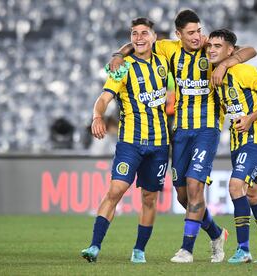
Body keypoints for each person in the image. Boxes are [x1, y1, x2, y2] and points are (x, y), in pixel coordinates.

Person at [109, 9, 257, 263]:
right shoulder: (168, 48)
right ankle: (216, 233)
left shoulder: (211, 48)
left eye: (199, 30)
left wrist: (224, 63)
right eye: (191, 33)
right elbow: (139, 42)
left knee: (194, 186)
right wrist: (119, 54)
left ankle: (186, 249)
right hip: (179, 131)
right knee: (183, 196)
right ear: (179, 34)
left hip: (207, 130)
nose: (198, 37)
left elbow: (249, 50)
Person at [81, 18, 170, 264]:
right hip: (130, 142)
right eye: (134, 33)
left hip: (160, 144)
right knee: (116, 190)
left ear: (154, 37)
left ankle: (139, 250)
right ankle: (94, 246)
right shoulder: (123, 68)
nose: (139, 37)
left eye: (144, 33)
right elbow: (104, 97)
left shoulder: (165, 61)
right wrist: (97, 116)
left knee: (149, 199)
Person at [207, 29, 257, 263]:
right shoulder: (212, 69)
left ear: (231, 50)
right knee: (253, 194)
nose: (211, 49)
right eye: (210, 45)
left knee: (235, 186)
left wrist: (251, 117)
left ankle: (243, 249)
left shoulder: (243, 70)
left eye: (218, 46)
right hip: (237, 138)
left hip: (256, 134)